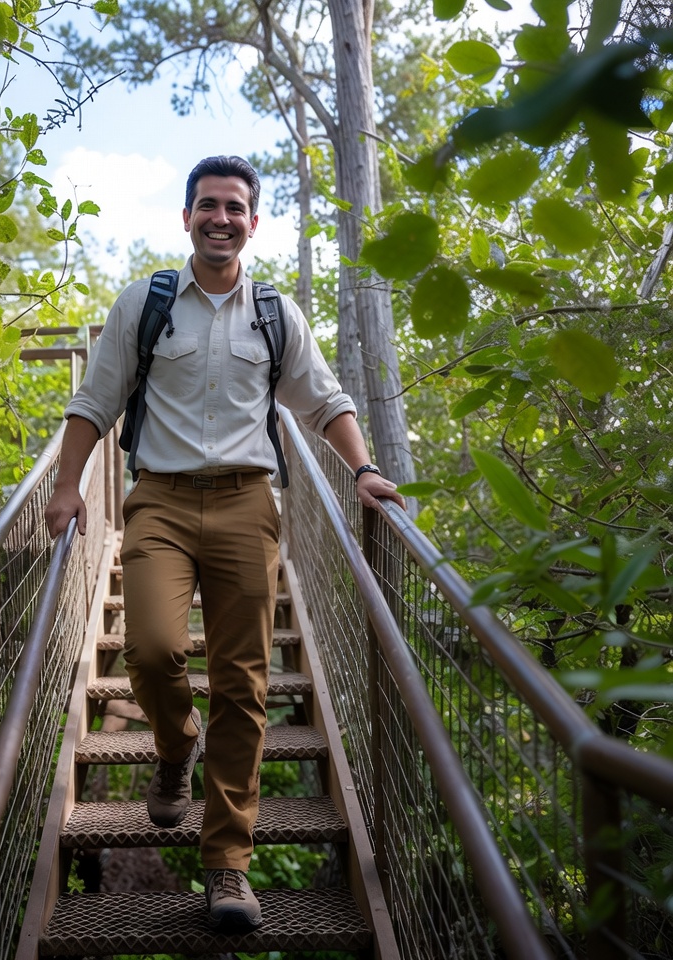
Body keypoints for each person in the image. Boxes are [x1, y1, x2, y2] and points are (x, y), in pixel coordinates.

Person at [45, 155, 405, 933]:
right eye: (208, 205)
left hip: (248, 504)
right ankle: (176, 748)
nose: (221, 218)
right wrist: (68, 485)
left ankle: (227, 868)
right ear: (186, 218)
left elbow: (323, 399)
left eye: (235, 207)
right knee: (150, 651)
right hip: (160, 505)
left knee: (243, 687)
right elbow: (94, 400)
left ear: (251, 221)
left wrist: (366, 469)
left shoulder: (275, 313)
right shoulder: (146, 302)